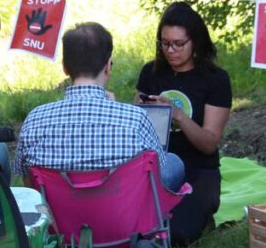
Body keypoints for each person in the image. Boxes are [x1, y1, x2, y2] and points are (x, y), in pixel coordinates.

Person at [14, 22, 185, 191]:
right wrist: (116, 111)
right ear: (108, 66)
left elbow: (29, 185)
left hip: (58, 217)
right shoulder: (135, 119)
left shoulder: (34, 120)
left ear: (65, 67)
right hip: (123, 216)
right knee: (173, 163)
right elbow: (159, 171)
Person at [135, 3, 232, 246]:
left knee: (177, 234)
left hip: (198, 168)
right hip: (155, 166)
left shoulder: (215, 79)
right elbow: (135, 129)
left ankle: (203, 215)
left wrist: (178, 116)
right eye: (165, 43)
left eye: (179, 44)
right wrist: (140, 111)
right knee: (135, 229)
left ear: (195, 42)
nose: (171, 50)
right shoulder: (151, 73)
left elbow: (209, 143)